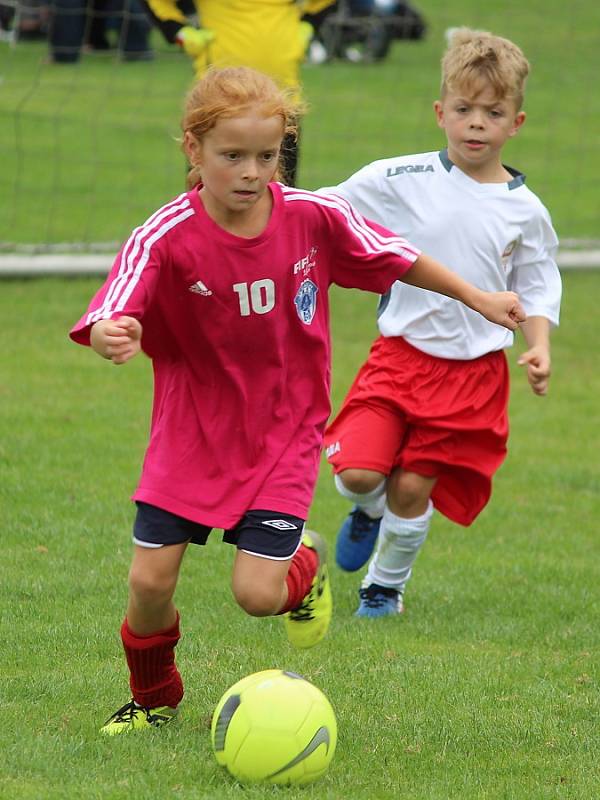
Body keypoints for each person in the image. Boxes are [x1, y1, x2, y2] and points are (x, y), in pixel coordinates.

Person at [69, 64, 525, 735]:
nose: (252, 172)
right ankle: (155, 699)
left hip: (284, 432)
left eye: (267, 155)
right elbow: (117, 301)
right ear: (193, 150)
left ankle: (303, 570)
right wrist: (112, 330)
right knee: (149, 583)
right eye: (232, 156)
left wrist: (480, 297)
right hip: (189, 434)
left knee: (257, 596)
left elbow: (399, 258)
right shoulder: (167, 233)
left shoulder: (314, 216)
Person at [322, 27, 562, 618]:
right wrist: (261, 205)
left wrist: (538, 345)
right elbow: (327, 206)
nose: (477, 123)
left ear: (516, 123)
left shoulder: (524, 210)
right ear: (440, 112)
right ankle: (366, 511)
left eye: (493, 112)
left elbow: (537, 282)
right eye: (464, 109)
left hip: (470, 375)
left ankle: (384, 588)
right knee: (357, 473)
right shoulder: (399, 178)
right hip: (398, 357)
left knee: (412, 487)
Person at [140, 0, 335, 186]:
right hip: (216, 106)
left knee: (281, 202)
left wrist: (308, 25)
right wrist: (179, 32)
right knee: (208, 201)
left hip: (281, 104)